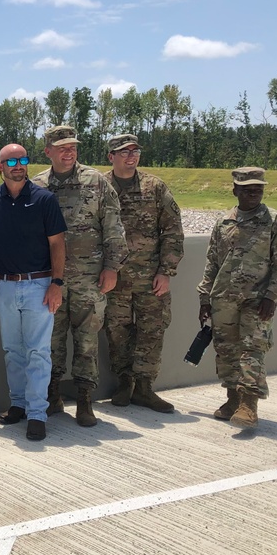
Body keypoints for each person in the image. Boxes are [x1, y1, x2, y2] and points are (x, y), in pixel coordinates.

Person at [31, 126, 127, 427]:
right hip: (50, 279)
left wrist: (112, 267)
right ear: (48, 151)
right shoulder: (38, 186)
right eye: (61, 147)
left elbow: (113, 227)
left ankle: (85, 400)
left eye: (72, 146)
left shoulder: (96, 181)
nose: (68, 151)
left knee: (87, 340)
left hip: (89, 277)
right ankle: (53, 394)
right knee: (51, 339)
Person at [0, 144, 67, 441]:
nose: (18, 165)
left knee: (38, 351)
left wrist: (57, 284)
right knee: (12, 350)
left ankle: (38, 414)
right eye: (11, 161)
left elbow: (57, 244)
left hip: (39, 285)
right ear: (0, 166)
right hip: (4, 285)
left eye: (23, 160)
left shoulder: (44, 199)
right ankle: (18, 404)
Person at [197, 167, 277, 429]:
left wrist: (273, 295)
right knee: (226, 350)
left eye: (258, 189)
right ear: (235, 191)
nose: (254, 193)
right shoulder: (224, 222)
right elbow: (212, 263)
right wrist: (205, 297)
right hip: (224, 298)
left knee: (252, 349)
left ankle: (249, 405)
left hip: (257, 298)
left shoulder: (274, 221)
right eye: (248, 189)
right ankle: (233, 399)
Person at [103, 134, 184, 413]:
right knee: (117, 332)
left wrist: (166, 271)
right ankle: (125, 382)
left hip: (151, 279)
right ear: (110, 156)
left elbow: (173, 230)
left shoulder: (154, 187)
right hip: (114, 279)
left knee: (152, 330)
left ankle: (146, 387)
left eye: (135, 151)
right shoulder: (101, 187)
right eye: (124, 152)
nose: (131, 156)